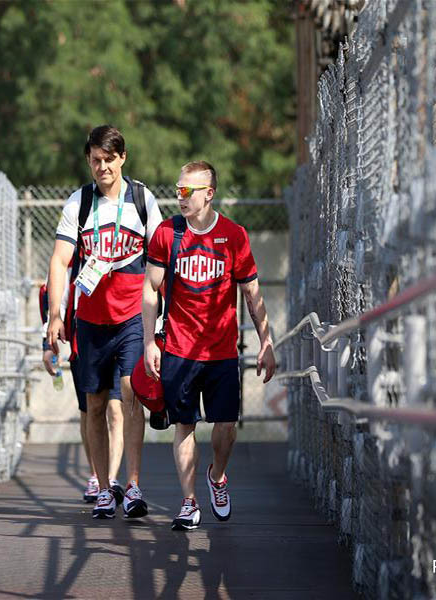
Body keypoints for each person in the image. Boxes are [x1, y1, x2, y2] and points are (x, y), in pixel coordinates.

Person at [141, 160, 276, 531]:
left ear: (209, 193)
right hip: (179, 350)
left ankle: (217, 477)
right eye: (177, 189)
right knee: (183, 425)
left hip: (221, 350)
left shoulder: (234, 235)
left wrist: (266, 342)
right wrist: (150, 341)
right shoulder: (167, 233)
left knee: (226, 428)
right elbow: (151, 289)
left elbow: (252, 293)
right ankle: (188, 502)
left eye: (188, 191)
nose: (179, 196)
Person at [47, 125, 162, 519]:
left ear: (122, 158)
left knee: (130, 396)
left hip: (132, 317)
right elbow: (60, 261)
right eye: (95, 160)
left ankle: (131, 485)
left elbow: (161, 261)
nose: (102, 167)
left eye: (109, 160)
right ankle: (102, 485)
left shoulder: (142, 200)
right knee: (94, 405)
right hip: (90, 322)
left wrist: (161, 321)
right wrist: (55, 316)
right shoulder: (79, 203)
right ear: (88, 161)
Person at [39, 281, 125, 504]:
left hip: (120, 332)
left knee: (116, 409)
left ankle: (112, 478)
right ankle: (97, 474)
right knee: (90, 409)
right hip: (85, 345)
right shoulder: (71, 260)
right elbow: (54, 300)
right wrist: (48, 347)